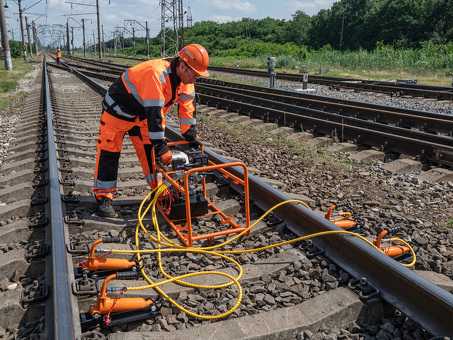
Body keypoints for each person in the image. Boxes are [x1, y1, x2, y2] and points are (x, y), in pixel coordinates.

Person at [93, 44, 210, 217]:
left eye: (198, 77)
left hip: (143, 116)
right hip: (118, 111)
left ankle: (161, 194)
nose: (194, 80)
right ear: (183, 65)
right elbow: (155, 113)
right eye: (194, 75)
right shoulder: (156, 74)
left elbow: (187, 110)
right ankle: (103, 197)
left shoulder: (187, 83)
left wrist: (190, 136)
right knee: (109, 151)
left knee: (151, 153)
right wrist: (163, 147)